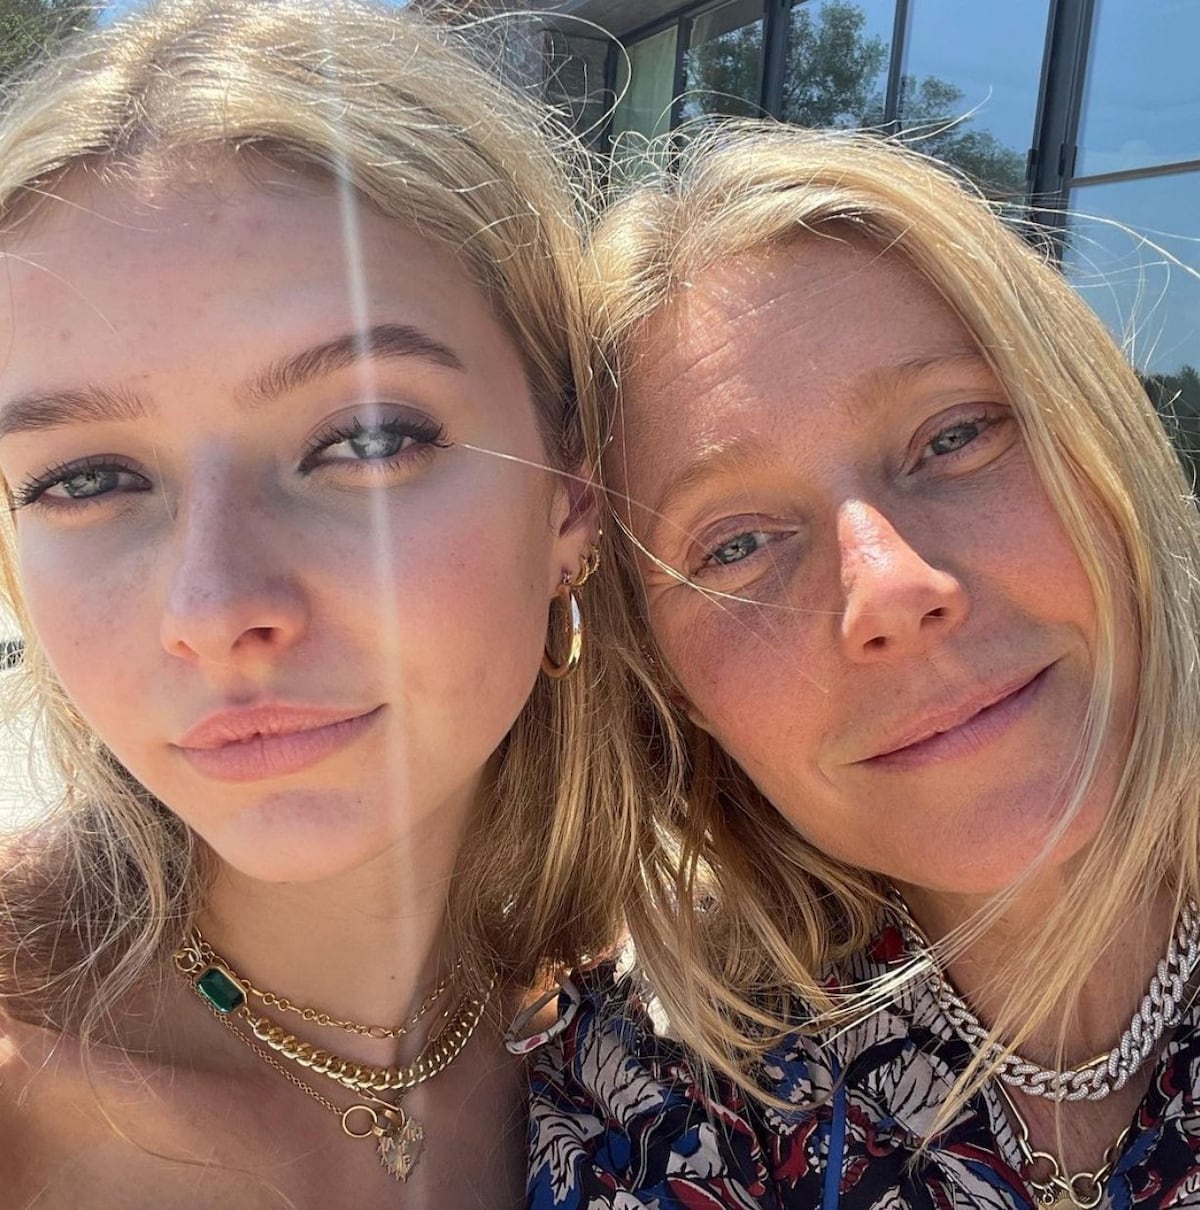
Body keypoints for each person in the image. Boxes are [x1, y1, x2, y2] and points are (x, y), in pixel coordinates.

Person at [0, 1, 647, 1204]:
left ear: (571, 491)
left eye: (367, 438)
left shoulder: (665, 1033)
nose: (213, 606)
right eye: (84, 478)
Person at [528, 123, 1200, 1209]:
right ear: (669, 689)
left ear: (1103, 443)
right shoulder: (654, 1095)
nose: (889, 589)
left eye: (956, 436)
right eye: (737, 545)